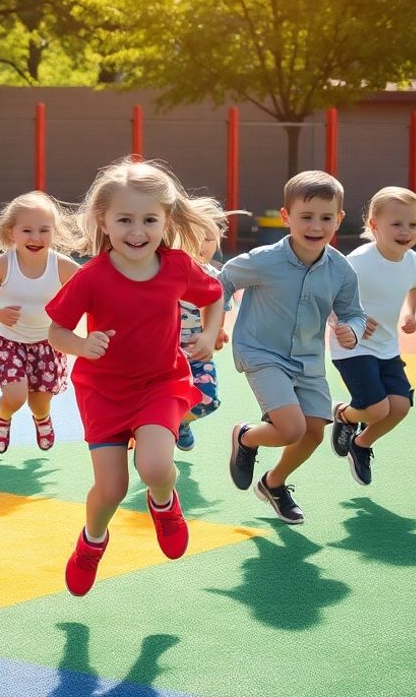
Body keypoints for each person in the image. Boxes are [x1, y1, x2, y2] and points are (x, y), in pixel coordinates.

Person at [47, 158, 224, 596]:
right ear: (103, 222)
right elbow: (56, 331)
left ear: (166, 220)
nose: (137, 231)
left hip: (160, 383)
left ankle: (164, 504)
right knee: (110, 490)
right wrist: (81, 346)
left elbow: (214, 296)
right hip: (103, 392)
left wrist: (211, 333)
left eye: (149, 220)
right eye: (124, 220)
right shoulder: (91, 278)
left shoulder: (178, 267)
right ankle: (92, 542)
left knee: (156, 466)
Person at [221, 171, 367, 525]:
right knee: (290, 428)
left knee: (314, 432)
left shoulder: (341, 270)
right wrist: (215, 323)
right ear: (286, 217)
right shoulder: (264, 260)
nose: (316, 226)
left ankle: (274, 484)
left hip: (308, 361)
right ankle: (246, 437)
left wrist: (352, 330)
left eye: (326, 218)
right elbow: (223, 279)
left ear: (339, 219)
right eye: (306, 216)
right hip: (261, 354)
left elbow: (353, 313)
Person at [327, 187, 416, 486]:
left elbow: (415, 286)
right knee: (376, 408)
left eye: (414, 224)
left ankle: (361, 445)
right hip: (352, 346)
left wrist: (411, 312)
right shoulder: (358, 262)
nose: (406, 231)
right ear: (374, 225)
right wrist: (345, 321)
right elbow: (329, 296)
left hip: (386, 346)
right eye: (397, 224)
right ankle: (345, 415)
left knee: (399, 407)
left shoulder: (414, 261)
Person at [0, 191, 79, 453]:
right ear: (11, 233)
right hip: (9, 341)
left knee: (40, 403)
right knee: (16, 396)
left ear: (55, 232)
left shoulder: (62, 266)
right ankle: (2, 417)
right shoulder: (4, 263)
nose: (35, 237)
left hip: (47, 343)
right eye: (27, 230)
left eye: (44, 230)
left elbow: (92, 290)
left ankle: (42, 419)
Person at [175, 215, 243, 452]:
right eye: (194, 238)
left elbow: (219, 310)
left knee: (208, 399)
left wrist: (217, 332)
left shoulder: (215, 278)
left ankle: (180, 423)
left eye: (209, 239)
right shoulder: (165, 274)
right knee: (159, 399)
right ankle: (154, 431)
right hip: (163, 353)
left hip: (197, 353)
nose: (202, 245)